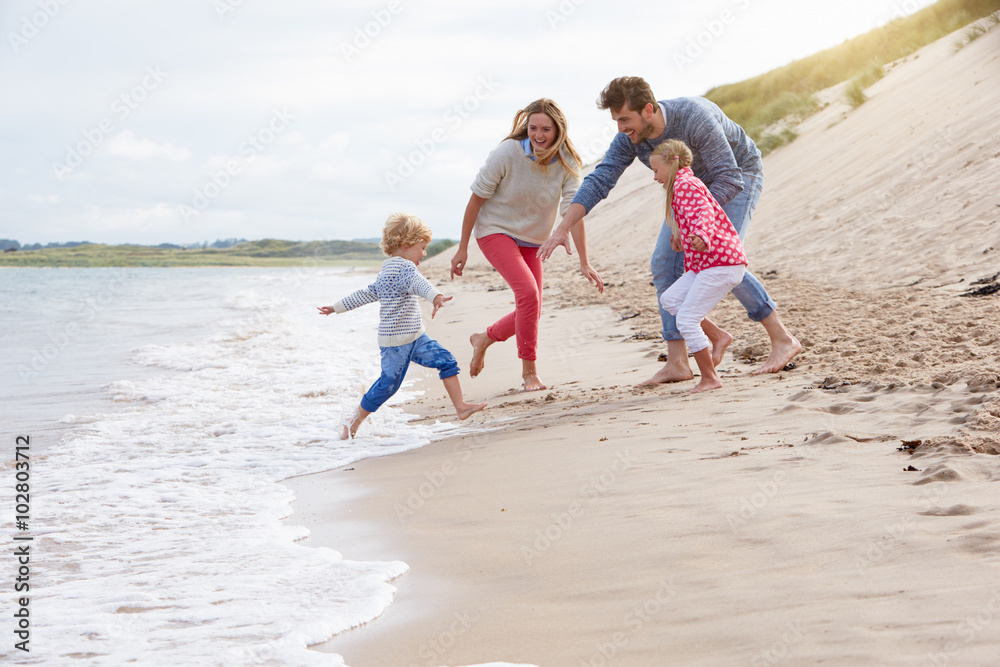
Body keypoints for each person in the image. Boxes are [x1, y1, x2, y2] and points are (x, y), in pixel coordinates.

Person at [536, 76, 800, 383]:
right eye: (616, 121)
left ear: (648, 110)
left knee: (723, 259)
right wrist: (563, 226)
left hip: (735, 176)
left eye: (625, 119)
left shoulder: (693, 117)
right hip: (686, 191)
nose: (620, 129)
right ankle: (678, 362)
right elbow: (600, 180)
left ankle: (782, 338)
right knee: (664, 263)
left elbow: (729, 176)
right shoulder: (629, 139)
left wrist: (691, 221)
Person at [450, 98, 603, 392]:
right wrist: (462, 247)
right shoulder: (507, 153)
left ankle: (484, 338)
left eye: (546, 129)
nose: (538, 135)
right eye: (533, 128)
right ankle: (529, 374)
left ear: (559, 130)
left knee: (532, 307)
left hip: (533, 239)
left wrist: (585, 261)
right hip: (495, 231)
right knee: (529, 295)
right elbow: (475, 200)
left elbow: (575, 209)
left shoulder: (569, 160)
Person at [318, 212, 486, 439]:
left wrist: (336, 307)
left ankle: (461, 407)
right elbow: (420, 284)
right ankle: (352, 419)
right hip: (396, 344)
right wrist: (436, 296)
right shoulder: (405, 269)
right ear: (406, 244)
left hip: (416, 338)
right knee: (389, 385)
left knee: (445, 361)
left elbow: (365, 294)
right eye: (422, 247)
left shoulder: (386, 269)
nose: (424, 254)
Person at [651, 139, 746, 393]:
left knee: (687, 319)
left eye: (656, 170)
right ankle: (718, 336)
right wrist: (680, 236)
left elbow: (704, 212)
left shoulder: (685, 184)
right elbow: (691, 217)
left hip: (721, 263)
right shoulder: (681, 187)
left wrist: (701, 236)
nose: (655, 177)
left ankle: (710, 378)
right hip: (705, 264)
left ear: (671, 164)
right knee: (670, 299)